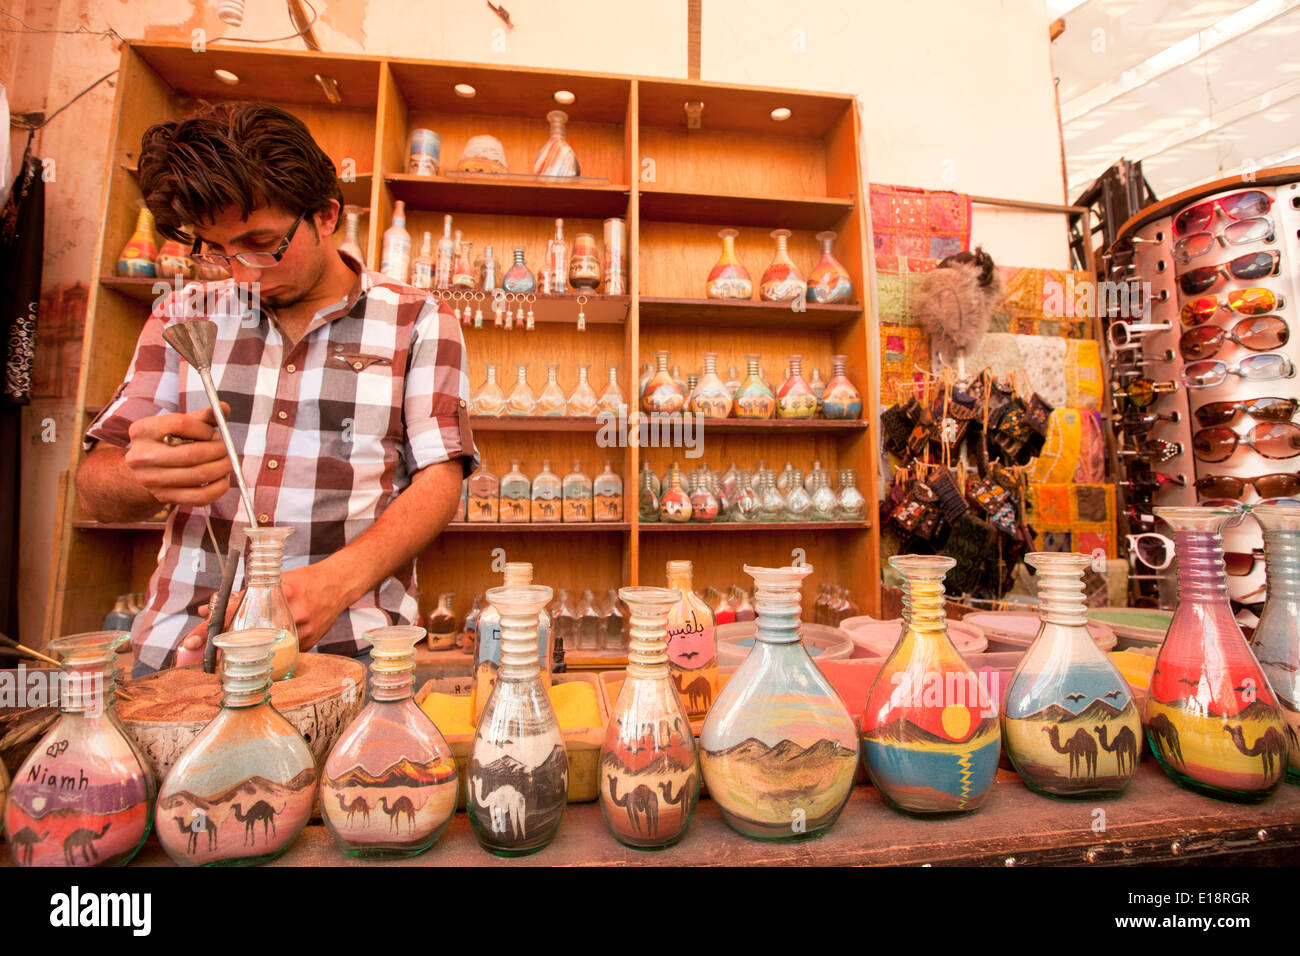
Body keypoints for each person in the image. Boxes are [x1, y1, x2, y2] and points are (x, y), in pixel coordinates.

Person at [77, 102, 477, 675]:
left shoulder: (418, 320)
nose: (242, 273)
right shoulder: (180, 315)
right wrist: (138, 475)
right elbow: (94, 486)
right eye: (217, 250)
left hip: (349, 652)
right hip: (180, 654)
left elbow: (441, 477)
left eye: (261, 244)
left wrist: (337, 583)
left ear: (325, 214)